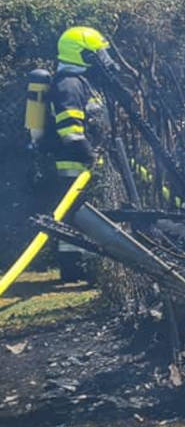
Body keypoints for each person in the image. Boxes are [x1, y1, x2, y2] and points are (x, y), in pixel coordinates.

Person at [50, 26, 112, 281]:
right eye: (95, 54)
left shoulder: (78, 82)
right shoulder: (69, 85)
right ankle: (76, 269)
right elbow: (71, 131)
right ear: (81, 54)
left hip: (83, 163)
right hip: (75, 164)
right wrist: (90, 157)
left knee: (80, 216)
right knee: (76, 217)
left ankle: (79, 268)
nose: (102, 59)